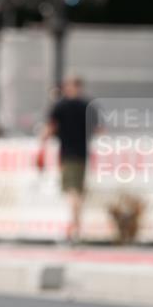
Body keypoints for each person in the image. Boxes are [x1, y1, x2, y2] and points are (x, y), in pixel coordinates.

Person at [37, 77, 96, 243]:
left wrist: (42, 144)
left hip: (67, 154)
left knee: (72, 191)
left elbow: (49, 129)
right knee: (78, 191)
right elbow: (99, 129)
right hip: (83, 154)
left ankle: (75, 229)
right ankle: (76, 227)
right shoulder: (86, 105)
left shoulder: (60, 106)